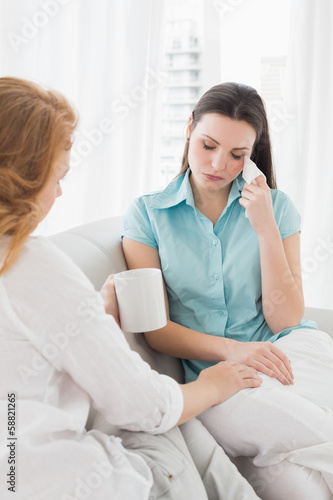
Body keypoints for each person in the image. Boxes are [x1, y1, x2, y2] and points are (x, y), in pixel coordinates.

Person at [0, 77, 263, 500]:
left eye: (237, 154)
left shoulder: (266, 208)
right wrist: (215, 383)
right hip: (79, 481)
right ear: (23, 178)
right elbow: (143, 406)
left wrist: (96, 315)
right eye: (57, 176)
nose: (61, 192)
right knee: (178, 422)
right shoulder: (31, 262)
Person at [122, 82, 333, 500]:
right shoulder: (148, 214)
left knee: (292, 483)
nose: (218, 163)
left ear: (252, 155)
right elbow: (155, 330)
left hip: (293, 349)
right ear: (189, 130)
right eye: (208, 145)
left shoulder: (276, 206)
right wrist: (232, 351)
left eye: (238, 155)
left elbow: (287, 319)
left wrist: (265, 228)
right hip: (219, 378)